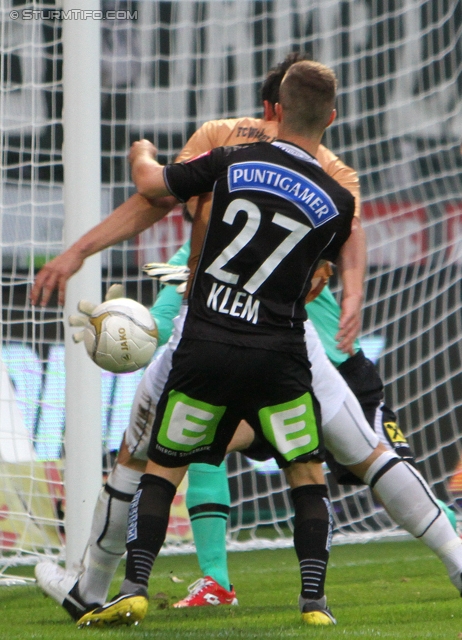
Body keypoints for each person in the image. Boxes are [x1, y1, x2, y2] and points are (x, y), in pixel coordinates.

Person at [33, 55, 461, 626]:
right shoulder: (334, 185)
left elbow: (153, 192)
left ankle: (103, 586)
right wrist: (346, 289)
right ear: (329, 117)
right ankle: (348, 591)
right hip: (286, 341)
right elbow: (340, 243)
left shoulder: (226, 152)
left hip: (206, 322)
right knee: (355, 456)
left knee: (147, 455)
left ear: (276, 108)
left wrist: (136, 158)